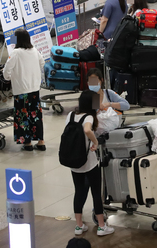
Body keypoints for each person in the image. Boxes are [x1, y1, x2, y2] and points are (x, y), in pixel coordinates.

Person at [67, 91, 115, 237]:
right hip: (89, 162)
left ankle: (79, 225)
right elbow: (87, 129)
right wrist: (94, 141)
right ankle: (101, 226)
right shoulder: (88, 117)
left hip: (74, 161)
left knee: (79, 191)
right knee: (96, 193)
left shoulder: (71, 115)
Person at [4, 29, 46, 151]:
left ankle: (27, 143)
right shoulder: (34, 51)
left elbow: (7, 69)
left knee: (23, 115)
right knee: (36, 114)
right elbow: (42, 63)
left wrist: (7, 77)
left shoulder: (16, 52)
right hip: (34, 88)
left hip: (21, 89)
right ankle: (40, 141)